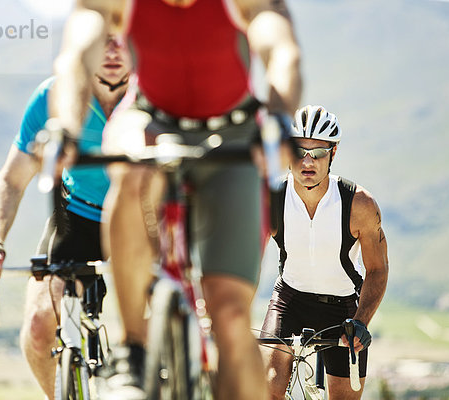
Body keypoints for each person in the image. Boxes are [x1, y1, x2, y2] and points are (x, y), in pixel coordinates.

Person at [49, 1, 303, 399]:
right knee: (130, 165)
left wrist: (280, 118)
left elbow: (282, 52)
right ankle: (131, 350)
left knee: (232, 318)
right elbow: (75, 59)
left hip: (232, 136)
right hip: (150, 120)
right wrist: (64, 126)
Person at [0, 37, 131, 400]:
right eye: (102, 41)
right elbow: (11, 180)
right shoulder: (53, 97)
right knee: (41, 327)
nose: (111, 52)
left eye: (121, 41)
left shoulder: (153, 95)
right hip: (79, 215)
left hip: (141, 216)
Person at [259, 105, 389, 399]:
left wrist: (361, 321)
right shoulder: (271, 200)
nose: (307, 161)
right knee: (267, 390)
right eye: (299, 151)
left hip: (342, 310)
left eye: (317, 153)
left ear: (333, 154)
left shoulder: (359, 205)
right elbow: (250, 260)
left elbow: (378, 269)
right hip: (288, 301)